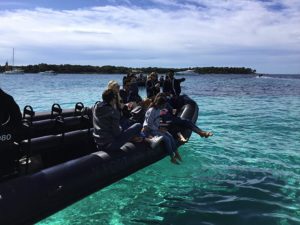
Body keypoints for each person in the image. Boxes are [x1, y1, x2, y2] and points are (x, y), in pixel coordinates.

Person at [142, 93, 181, 164]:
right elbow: (149, 125)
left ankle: (176, 153)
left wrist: (160, 127)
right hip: (149, 131)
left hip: (155, 129)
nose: (164, 107)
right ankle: (172, 157)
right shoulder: (152, 111)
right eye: (163, 105)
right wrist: (158, 129)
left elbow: (156, 122)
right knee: (167, 139)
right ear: (159, 104)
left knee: (170, 136)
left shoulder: (158, 110)